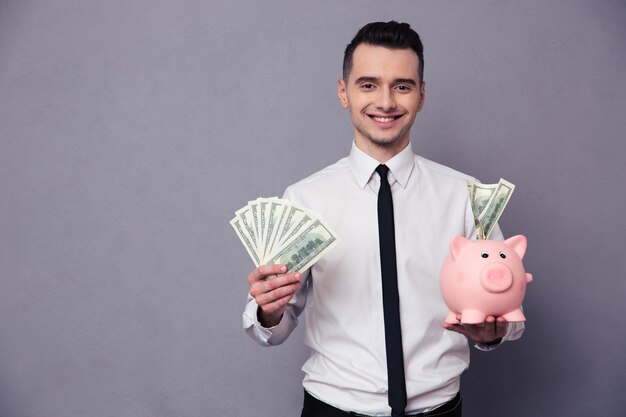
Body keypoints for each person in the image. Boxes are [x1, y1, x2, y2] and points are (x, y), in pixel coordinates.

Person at [243, 21, 524, 417]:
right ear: (344, 92)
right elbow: (271, 326)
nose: (386, 102)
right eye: (368, 84)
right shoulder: (304, 198)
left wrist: (494, 331)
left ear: (422, 95)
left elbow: (507, 306)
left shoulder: (466, 196)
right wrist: (268, 311)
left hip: (440, 410)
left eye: (403, 86)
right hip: (333, 408)